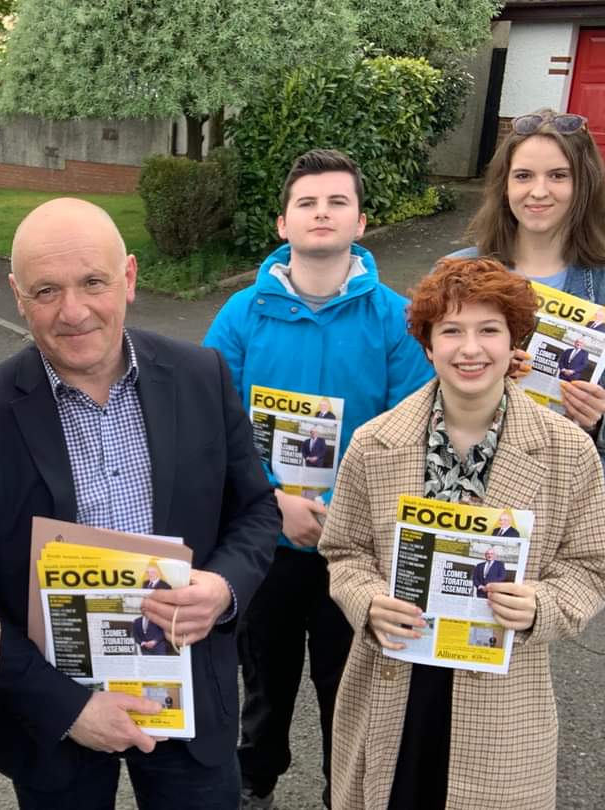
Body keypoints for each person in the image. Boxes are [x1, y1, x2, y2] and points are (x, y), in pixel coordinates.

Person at [0, 197, 281, 810]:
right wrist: (69, 708)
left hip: (189, 695)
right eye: (46, 291)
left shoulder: (202, 376)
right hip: (58, 714)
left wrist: (224, 590)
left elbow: (256, 511)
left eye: (93, 282)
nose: (73, 312)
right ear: (17, 295)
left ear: (128, 277)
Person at [320, 257, 605, 810]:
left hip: (503, 696)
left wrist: (540, 605)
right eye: (450, 331)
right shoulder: (374, 442)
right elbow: (345, 551)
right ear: (428, 346)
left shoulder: (568, 450)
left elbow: (592, 565)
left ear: (514, 343)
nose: (470, 348)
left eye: (489, 330)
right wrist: (366, 600)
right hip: (395, 678)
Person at [203, 148, 432, 810]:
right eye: (307, 202)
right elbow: (214, 430)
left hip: (353, 549)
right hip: (264, 542)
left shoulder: (396, 319)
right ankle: (256, 779)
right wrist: (273, 504)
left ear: (362, 222)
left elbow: (410, 434)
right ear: (282, 224)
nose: (322, 212)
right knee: (264, 676)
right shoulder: (241, 316)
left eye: (337, 201)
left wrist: (349, 514)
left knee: (348, 681)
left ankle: (347, 792)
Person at [456, 108, 605, 496]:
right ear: (504, 184)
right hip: (470, 492)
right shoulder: (457, 275)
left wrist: (600, 419)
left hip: (570, 500)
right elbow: (414, 391)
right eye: (524, 175)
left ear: (584, 184)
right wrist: (476, 379)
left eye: (558, 176)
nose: (538, 192)